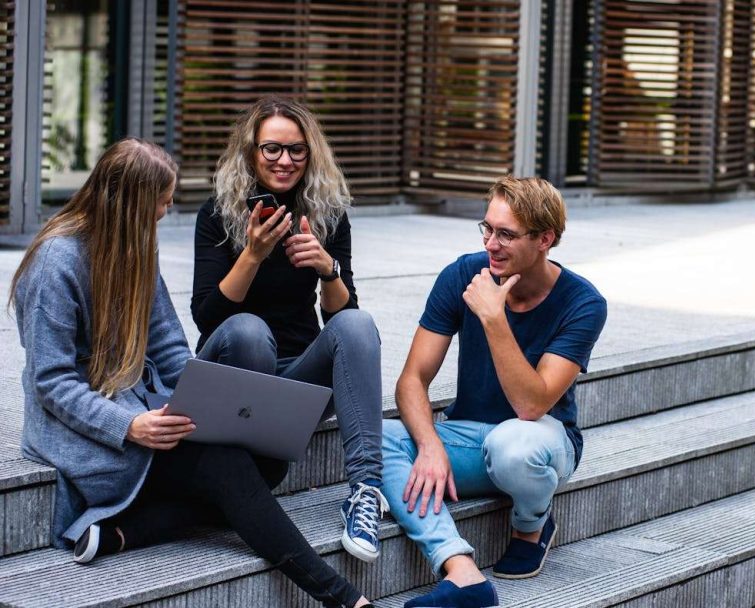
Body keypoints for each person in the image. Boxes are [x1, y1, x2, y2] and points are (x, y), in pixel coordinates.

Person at [10, 138, 375, 608]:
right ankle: (342, 597)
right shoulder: (55, 263)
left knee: (267, 464)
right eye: (161, 204)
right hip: (89, 432)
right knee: (228, 467)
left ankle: (130, 530)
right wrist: (130, 426)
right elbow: (52, 381)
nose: (164, 213)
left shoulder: (135, 246)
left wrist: (203, 401)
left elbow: (168, 347)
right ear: (131, 203)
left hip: (146, 410)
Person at [382, 176, 607, 608]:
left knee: (513, 445)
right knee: (378, 437)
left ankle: (532, 524)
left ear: (545, 239)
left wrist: (494, 318)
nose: (491, 243)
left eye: (506, 234)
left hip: (541, 440)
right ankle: (460, 571)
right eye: (487, 229)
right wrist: (429, 445)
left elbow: (532, 404)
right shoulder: (462, 274)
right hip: (468, 436)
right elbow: (412, 379)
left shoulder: (583, 303)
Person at [191, 96, 387, 564]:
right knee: (248, 331)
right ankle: (246, 471)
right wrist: (253, 254)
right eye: (272, 149)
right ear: (251, 152)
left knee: (358, 324)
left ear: (311, 153)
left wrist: (328, 269)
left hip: (295, 382)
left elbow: (343, 319)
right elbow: (207, 317)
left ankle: (364, 491)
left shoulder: (328, 214)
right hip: (233, 373)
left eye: (297, 150)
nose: (285, 160)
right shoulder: (218, 214)